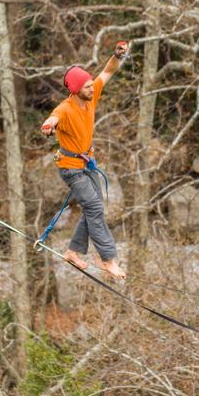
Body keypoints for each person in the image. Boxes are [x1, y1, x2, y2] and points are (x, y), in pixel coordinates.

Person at [40, 41, 129, 279]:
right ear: (76, 89)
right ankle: (108, 259)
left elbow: (108, 71)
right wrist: (49, 125)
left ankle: (72, 251)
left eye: (92, 85)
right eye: (88, 86)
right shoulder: (65, 108)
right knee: (95, 208)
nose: (93, 88)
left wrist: (116, 56)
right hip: (71, 169)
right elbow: (54, 117)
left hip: (87, 163)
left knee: (92, 208)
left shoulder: (90, 97)